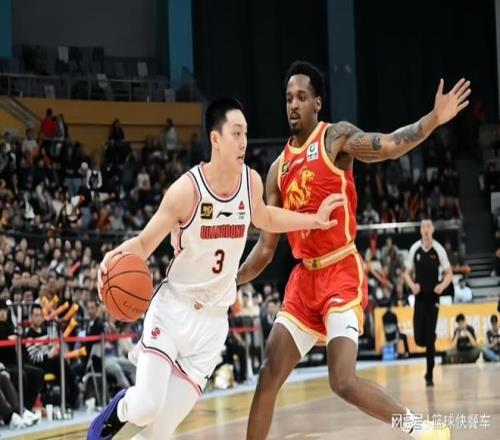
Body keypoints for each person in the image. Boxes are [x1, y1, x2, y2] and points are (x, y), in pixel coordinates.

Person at [237, 60, 469, 439]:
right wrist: (230, 280)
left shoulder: (335, 139)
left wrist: (433, 119)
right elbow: (265, 248)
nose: (293, 104)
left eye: (301, 97)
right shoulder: (277, 170)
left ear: (317, 103)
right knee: (268, 371)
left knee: (342, 380)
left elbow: (389, 145)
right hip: (303, 280)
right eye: (288, 98)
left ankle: (418, 427)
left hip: (340, 271)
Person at [88, 97, 344, 440]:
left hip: (212, 325)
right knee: (146, 407)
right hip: (173, 311)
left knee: (158, 433)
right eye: (236, 133)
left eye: (246, 134)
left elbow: (266, 217)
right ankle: (117, 411)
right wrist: (112, 256)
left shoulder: (250, 183)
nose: (243, 142)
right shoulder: (186, 191)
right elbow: (145, 243)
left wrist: (314, 219)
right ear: (216, 139)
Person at [404, 219, 453, 386]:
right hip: (419, 299)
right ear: (420, 230)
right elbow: (406, 273)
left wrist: (442, 286)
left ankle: (429, 375)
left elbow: (449, 273)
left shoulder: (438, 249)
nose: (425, 229)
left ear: (432, 230)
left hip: (433, 300)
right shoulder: (414, 249)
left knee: (430, 339)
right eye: (423, 227)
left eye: (428, 226)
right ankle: (430, 337)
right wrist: (412, 286)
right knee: (419, 339)